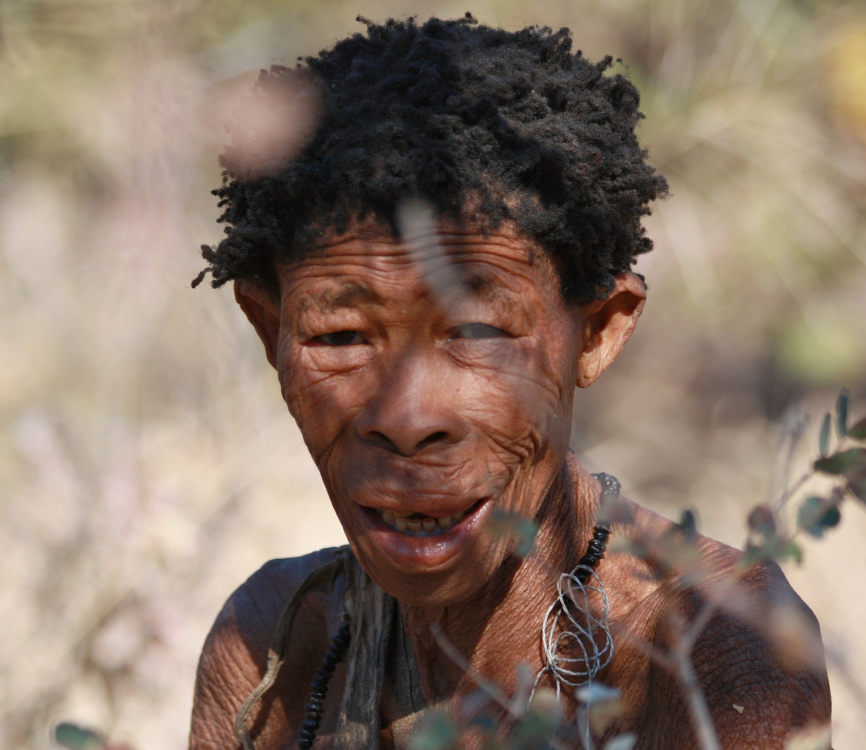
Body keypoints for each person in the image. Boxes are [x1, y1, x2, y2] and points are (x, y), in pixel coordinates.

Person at [189, 15, 831, 749]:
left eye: (479, 333)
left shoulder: (717, 646)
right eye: (340, 337)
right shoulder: (271, 643)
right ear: (269, 331)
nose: (407, 416)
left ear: (597, 331)